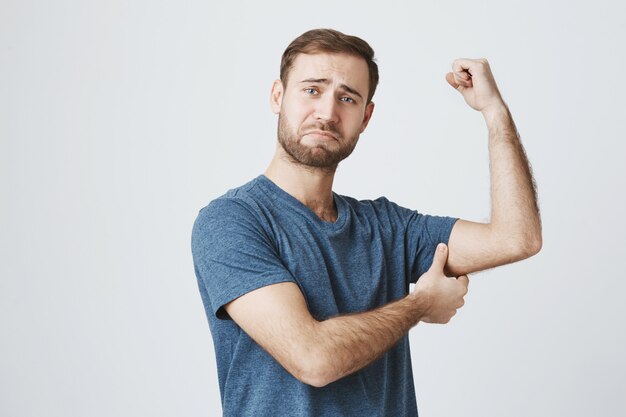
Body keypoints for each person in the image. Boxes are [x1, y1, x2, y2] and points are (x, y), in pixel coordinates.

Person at [191, 28, 541, 417]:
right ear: (278, 96)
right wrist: (420, 304)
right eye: (312, 90)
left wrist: (495, 113)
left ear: (366, 116)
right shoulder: (232, 221)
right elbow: (313, 359)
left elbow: (516, 238)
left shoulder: (386, 227)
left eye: (347, 98)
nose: (326, 112)